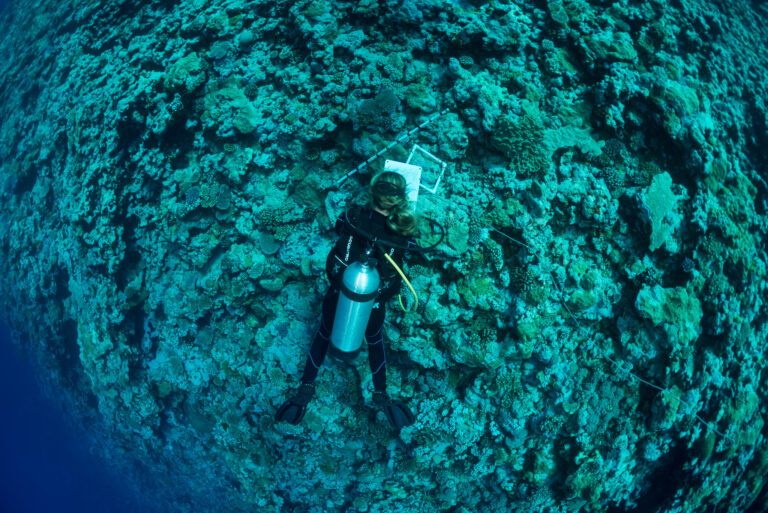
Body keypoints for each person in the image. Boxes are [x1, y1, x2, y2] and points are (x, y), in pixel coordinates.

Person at [275, 171, 419, 432]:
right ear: (399, 200)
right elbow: (398, 270)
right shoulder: (403, 233)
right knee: (375, 342)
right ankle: (381, 394)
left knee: (322, 335)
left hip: (339, 296)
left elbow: (338, 231)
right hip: (373, 304)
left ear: (373, 193)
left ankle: (305, 389)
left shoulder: (353, 217)